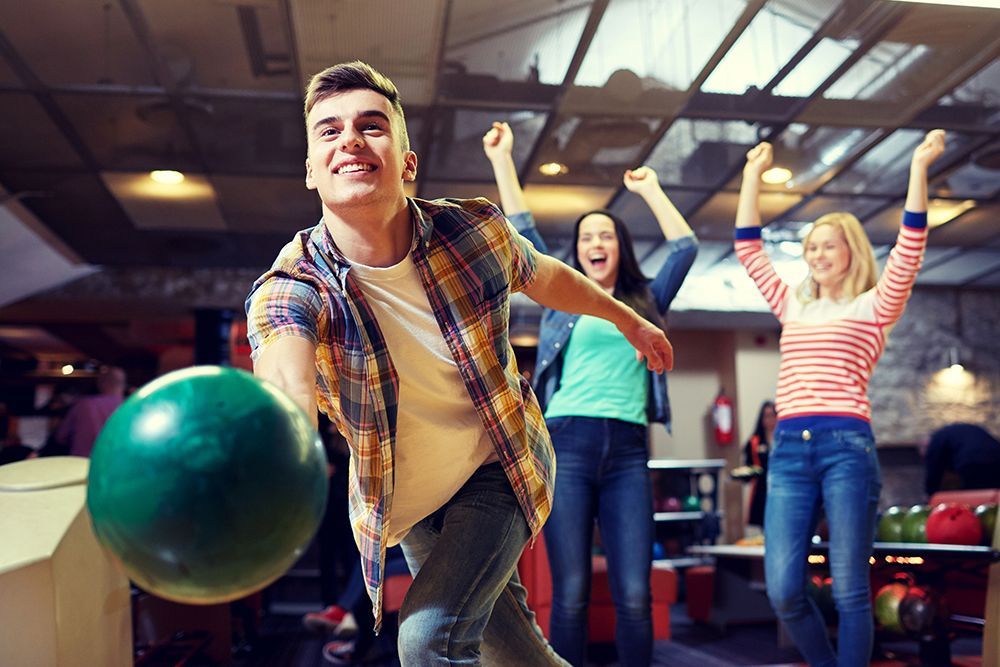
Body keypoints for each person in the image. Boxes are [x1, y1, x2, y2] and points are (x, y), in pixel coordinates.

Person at [245, 61, 673, 666]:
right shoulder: (293, 285)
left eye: (371, 126)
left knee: (426, 640)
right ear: (312, 171)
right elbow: (285, 374)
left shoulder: (471, 233)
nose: (350, 140)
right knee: (516, 656)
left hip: (497, 462)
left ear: (408, 163)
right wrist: (278, 443)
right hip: (412, 502)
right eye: (329, 131)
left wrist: (628, 319)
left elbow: (544, 275)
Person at [483, 121, 697, 666]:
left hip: (627, 451)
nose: (595, 244)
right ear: (577, 254)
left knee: (633, 595)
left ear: (619, 248)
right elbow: (522, 229)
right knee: (572, 593)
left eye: (605, 236)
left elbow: (685, 246)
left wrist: (649, 189)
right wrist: (504, 159)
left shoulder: (646, 300)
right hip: (567, 446)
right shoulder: (564, 298)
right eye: (586, 239)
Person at [735, 129, 946, 667]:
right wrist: (752, 176)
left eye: (828, 244)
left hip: (846, 445)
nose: (817, 254)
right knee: (784, 588)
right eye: (810, 246)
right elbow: (747, 246)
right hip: (787, 450)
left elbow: (911, 243)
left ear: (851, 250)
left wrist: (918, 168)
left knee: (852, 589)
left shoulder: (876, 305)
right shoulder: (791, 303)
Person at [53, 366, 127, 457]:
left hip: (81, 464)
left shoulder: (84, 404)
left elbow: (61, 437)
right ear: (123, 384)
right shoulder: (132, 408)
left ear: (101, 383)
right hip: (115, 464)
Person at [923, 423, 1000, 496]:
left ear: (926, 445)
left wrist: (931, 494)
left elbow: (934, 469)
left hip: (972, 460)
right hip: (996, 458)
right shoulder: (954, 432)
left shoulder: (936, 439)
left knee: (974, 495)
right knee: (993, 493)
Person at [742, 400, 776, 531]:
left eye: (773, 415)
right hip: (761, 488)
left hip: (780, 484)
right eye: (766, 415)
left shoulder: (783, 439)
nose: (770, 419)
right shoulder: (755, 442)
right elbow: (748, 466)